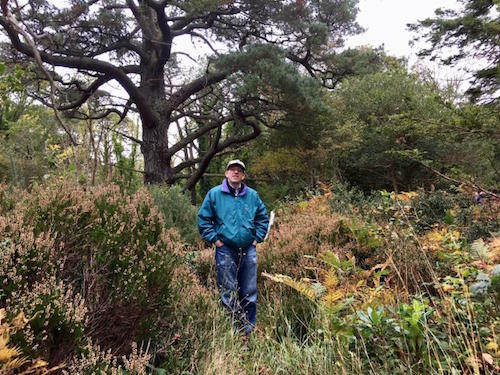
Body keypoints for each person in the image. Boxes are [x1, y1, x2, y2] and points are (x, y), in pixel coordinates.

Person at [197, 159, 269, 334]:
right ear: (226, 173)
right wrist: (216, 241)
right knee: (228, 291)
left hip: (248, 249)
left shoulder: (252, 195)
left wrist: (256, 239)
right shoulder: (214, 194)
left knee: (249, 291)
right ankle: (233, 330)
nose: (235, 172)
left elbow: (262, 218)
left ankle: (248, 330)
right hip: (225, 250)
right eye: (232, 169)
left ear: (243, 175)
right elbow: (204, 219)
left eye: (239, 170)